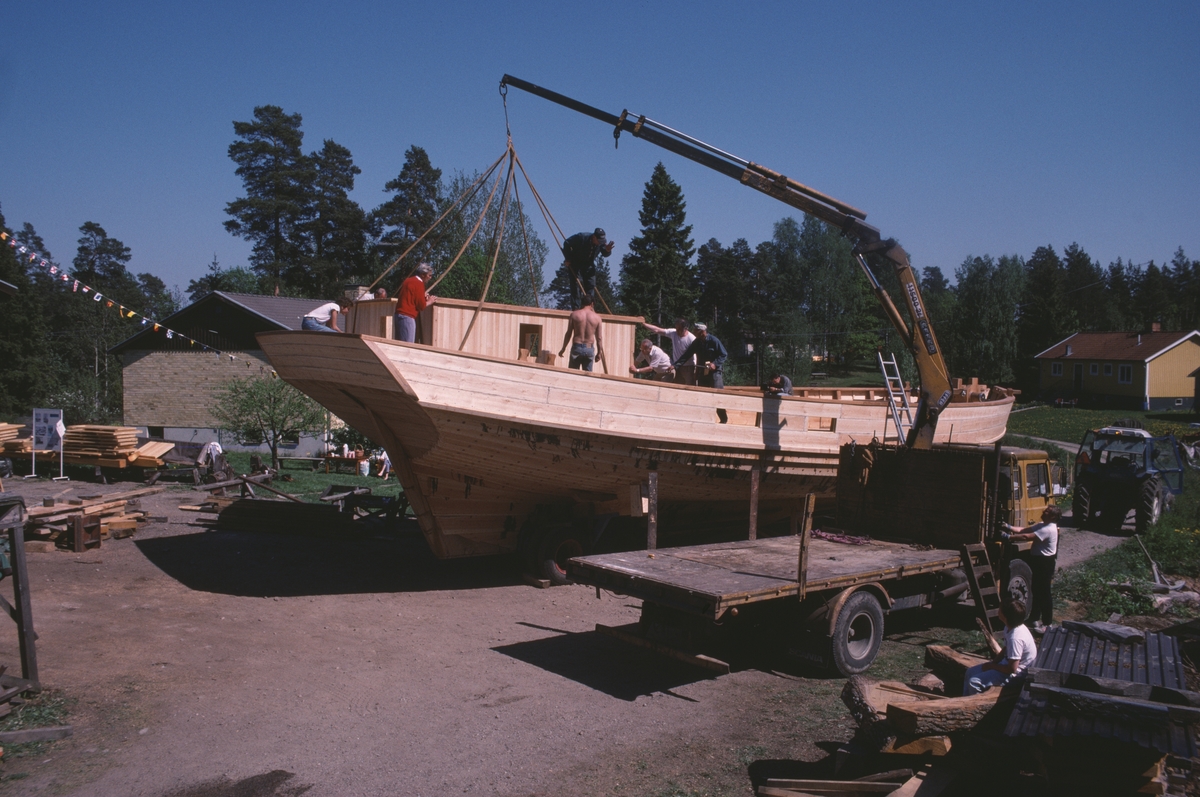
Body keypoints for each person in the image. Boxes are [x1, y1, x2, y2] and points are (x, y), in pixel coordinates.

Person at [1002, 505, 1061, 633]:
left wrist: (1008, 537)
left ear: (1053, 517)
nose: (1043, 512)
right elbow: (1024, 530)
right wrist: (1008, 527)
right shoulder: (1042, 524)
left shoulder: (1048, 529)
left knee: (1044, 593)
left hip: (1045, 563)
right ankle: (1034, 619)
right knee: (1036, 590)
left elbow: (1026, 537)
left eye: (1047, 511)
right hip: (1039, 561)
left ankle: (1047, 624)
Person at [963, 599, 1037, 694]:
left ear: (1005, 616)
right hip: (1006, 665)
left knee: (974, 682)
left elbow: (1012, 669)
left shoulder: (1016, 638)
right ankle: (965, 698)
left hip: (1016, 675)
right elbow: (1006, 649)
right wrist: (993, 663)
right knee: (969, 672)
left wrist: (992, 666)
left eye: (1000, 609)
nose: (998, 610)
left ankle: (974, 704)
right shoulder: (1009, 627)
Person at [561, 228, 614, 308]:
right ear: (594, 237)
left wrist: (607, 250)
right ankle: (576, 309)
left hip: (589, 264)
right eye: (599, 241)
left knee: (591, 285)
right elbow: (567, 243)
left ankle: (589, 307)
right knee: (576, 286)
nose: (600, 243)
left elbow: (604, 252)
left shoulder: (601, 243)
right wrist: (568, 258)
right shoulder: (581, 237)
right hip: (576, 263)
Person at [673, 323, 727, 389]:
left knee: (718, 392)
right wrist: (675, 366)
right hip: (702, 372)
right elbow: (686, 356)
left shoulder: (714, 341)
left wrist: (714, 364)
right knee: (702, 392)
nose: (693, 332)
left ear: (702, 332)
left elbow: (723, 354)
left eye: (695, 331)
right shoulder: (696, 343)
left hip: (715, 372)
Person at [643, 318, 696, 385]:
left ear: (685, 328)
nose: (677, 331)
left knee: (690, 386)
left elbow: (694, 355)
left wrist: (695, 369)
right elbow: (657, 330)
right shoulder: (673, 333)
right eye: (676, 328)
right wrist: (644, 324)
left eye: (679, 329)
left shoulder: (691, 339)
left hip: (688, 367)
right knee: (677, 386)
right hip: (677, 366)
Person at [558, 293, 604, 371]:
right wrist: (599, 353)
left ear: (582, 303)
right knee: (588, 376)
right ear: (592, 304)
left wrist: (563, 348)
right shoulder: (597, 318)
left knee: (573, 375)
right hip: (589, 347)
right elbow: (599, 338)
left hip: (577, 347)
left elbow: (568, 333)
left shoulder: (574, 315)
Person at [395, 263, 436, 343]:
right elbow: (421, 306)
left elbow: (410, 297)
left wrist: (422, 296)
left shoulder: (408, 280)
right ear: (423, 275)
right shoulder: (419, 283)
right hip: (407, 316)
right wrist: (430, 301)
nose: (430, 278)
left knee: (399, 344)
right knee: (408, 345)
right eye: (429, 275)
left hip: (398, 315)